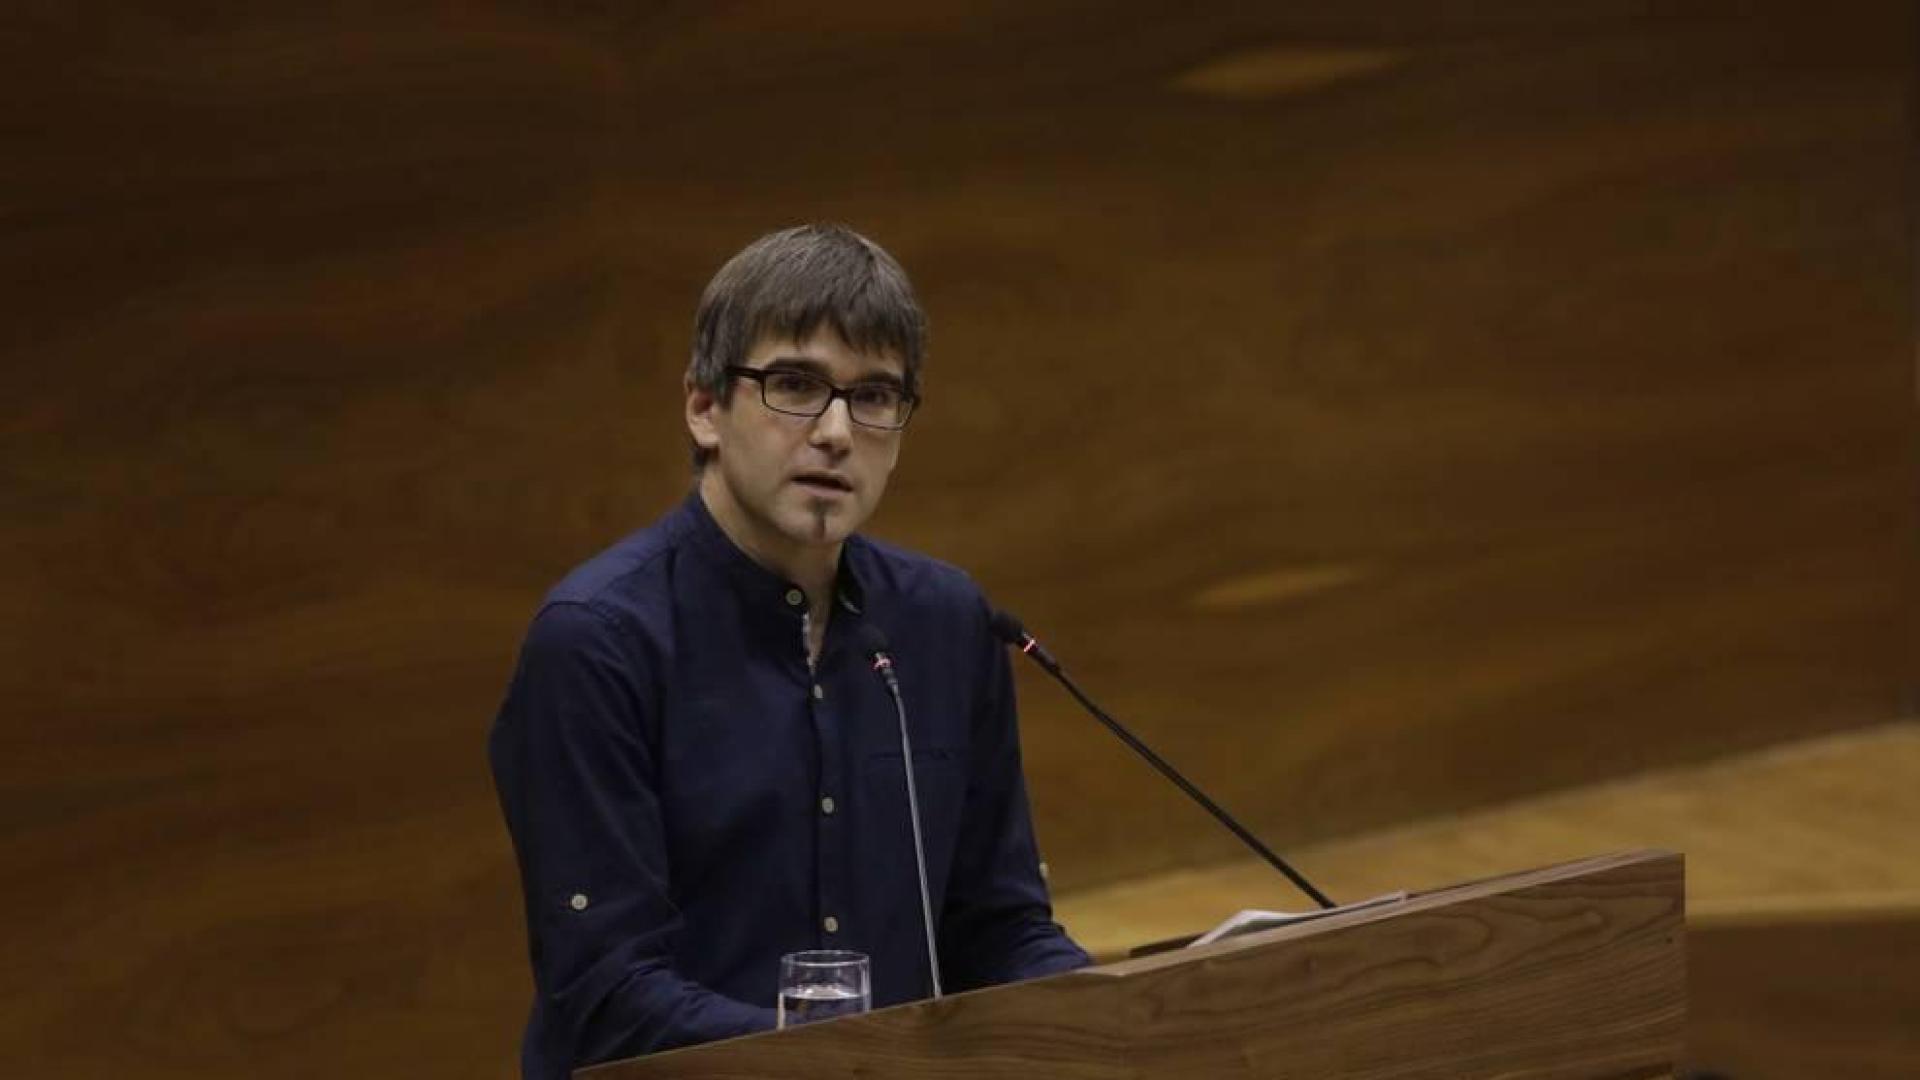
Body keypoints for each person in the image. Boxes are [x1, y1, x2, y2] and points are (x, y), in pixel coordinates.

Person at [488, 224, 1089, 1079]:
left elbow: (998, 929)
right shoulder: (597, 643)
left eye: (874, 395)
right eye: (796, 385)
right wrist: (846, 1062)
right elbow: (608, 998)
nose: (837, 431)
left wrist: (1122, 1013)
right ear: (704, 408)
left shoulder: (947, 622)